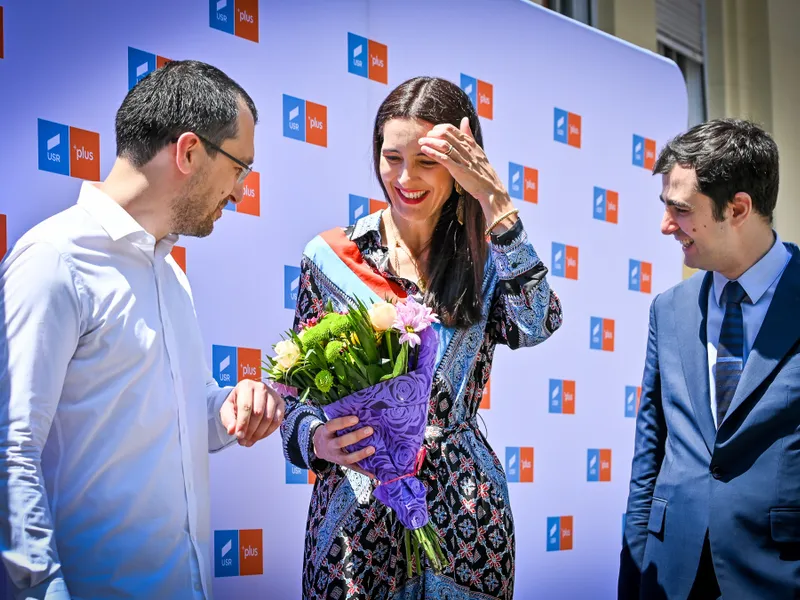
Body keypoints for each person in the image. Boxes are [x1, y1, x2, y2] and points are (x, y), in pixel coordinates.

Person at [0, 60, 285, 599]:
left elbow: (185, 417)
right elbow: (10, 447)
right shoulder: (55, 260)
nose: (241, 194)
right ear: (188, 152)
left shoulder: (171, 276)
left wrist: (230, 410)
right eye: (239, 169)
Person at [280, 76, 563, 599]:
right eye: (392, 158)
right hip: (356, 522)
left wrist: (496, 203)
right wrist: (316, 440)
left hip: (467, 516)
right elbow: (293, 397)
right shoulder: (331, 258)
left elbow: (537, 322)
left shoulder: (489, 258)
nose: (406, 177)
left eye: (428, 161)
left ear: (462, 168)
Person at [619, 118, 800, 599]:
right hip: (669, 575)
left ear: (738, 208)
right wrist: (634, 577)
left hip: (777, 577)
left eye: (680, 210)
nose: (665, 226)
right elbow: (649, 457)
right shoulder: (669, 309)